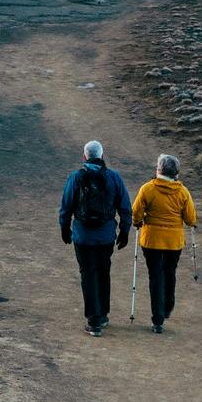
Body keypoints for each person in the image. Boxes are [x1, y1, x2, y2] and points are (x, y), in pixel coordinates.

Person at [58, 139, 132, 336]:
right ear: (102, 155)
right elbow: (125, 207)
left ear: (84, 156)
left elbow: (66, 206)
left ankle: (94, 320)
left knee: (88, 274)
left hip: (82, 236)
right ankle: (103, 314)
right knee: (103, 272)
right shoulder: (113, 177)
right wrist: (124, 231)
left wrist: (65, 228)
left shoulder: (76, 177)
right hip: (106, 236)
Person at [132, 152, 198, 334]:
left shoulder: (147, 189)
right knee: (170, 272)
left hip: (151, 240)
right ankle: (168, 306)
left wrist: (137, 222)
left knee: (155, 276)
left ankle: (157, 319)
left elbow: (136, 212)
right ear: (176, 172)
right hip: (173, 242)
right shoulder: (183, 192)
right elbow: (190, 218)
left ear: (158, 169)